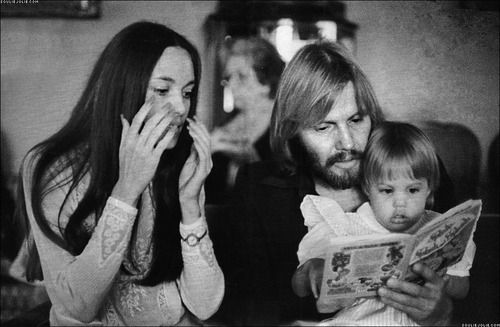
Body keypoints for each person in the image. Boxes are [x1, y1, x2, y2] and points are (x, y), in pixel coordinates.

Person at [224, 41, 457, 325]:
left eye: (356, 120)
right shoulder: (257, 189)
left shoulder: (415, 171)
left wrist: (444, 314)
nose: (347, 143)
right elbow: (246, 312)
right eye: (323, 127)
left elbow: (477, 293)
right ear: (293, 131)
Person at [15, 21, 224, 326]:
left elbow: (205, 306)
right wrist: (127, 190)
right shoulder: (48, 167)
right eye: (162, 90)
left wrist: (190, 205)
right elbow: (76, 308)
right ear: (123, 89)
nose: (181, 107)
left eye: (188, 92)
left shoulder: (180, 162)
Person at [292, 121, 473, 326]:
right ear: (368, 188)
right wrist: (314, 268)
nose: (400, 203)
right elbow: (299, 287)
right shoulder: (347, 226)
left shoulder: (442, 229)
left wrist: (441, 279)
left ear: (429, 189)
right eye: (387, 191)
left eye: (413, 190)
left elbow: (463, 288)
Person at [205, 36, 285, 204]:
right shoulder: (224, 126)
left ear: (266, 82)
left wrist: (252, 162)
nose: (231, 85)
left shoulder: (286, 128)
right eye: (229, 77)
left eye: (241, 76)